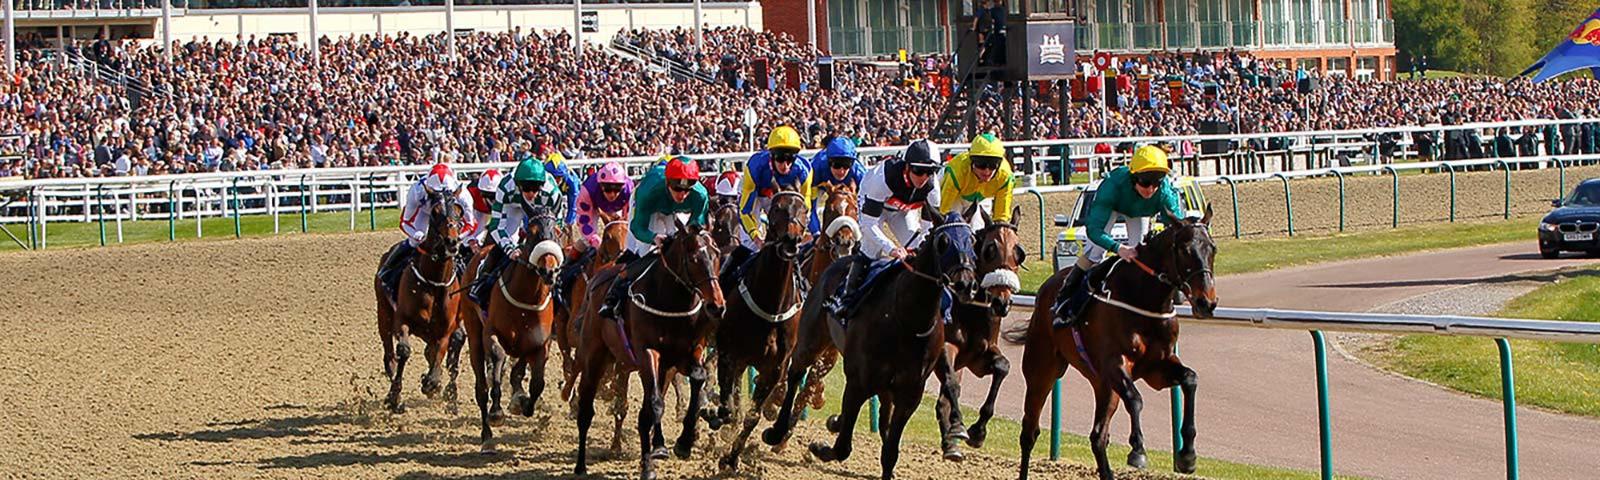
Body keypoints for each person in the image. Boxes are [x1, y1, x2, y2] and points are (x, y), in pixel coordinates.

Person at [1051, 145, 1185, 328]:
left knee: (1140, 251)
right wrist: (1118, 248)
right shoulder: (1112, 187)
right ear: (1133, 177)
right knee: (1095, 252)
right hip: (1114, 206)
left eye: (1156, 182)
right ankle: (1066, 299)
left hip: (1139, 213)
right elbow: (1094, 230)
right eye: (1145, 182)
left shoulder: (1165, 192)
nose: (1151, 189)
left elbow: (1179, 226)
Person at [824, 139, 943, 318]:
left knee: (921, 249)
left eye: (931, 172)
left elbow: (928, 227)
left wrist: (918, 248)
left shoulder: (932, 188)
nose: (924, 177)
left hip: (902, 211)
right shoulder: (882, 179)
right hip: (874, 209)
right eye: (919, 171)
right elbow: (869, 225)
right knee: (872, 250)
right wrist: (891, 248)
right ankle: (847, 301)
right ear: (907, 167)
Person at [595, 155, 710, 320]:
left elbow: (696, 226)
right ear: (668, 183)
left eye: (687, 189)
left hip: (672, 210)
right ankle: (614, 297)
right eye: (677, 189)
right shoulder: (649, 192)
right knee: (643, 252)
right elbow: (637, 227)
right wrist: (654, 238)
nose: (683, 195)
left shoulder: (700, 195)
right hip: (650, 206)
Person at [470, 158, 567, 305]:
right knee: (504, 244)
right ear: (517, 184)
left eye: (535, 189)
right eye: (526, 189)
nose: (531, 193)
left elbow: (557, 227)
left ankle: (561, 288)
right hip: (513, 206)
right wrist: (510, 249)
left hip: (544, 212)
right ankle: (482, 282)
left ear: (541, 186)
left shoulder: (552, 192)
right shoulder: (505, 187)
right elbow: (497, 226)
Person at [379, 163, 476, 296]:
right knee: (416, 242)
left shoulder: (463, 195)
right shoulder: (417, 191)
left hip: (450, 218)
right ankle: (388, 272)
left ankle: (468, 283)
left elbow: (470, 224)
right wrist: (415, 234)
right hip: (425, 213)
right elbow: (404, 221)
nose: (442, 197)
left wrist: (459, 237)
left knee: (460, 247)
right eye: (438, 194)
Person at [732, 125, 813, 272]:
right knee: (750, 244)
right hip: (756, 195)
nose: (785, 165)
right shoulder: (755, 167)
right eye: (780, 158)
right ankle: (730, 276)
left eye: (790, 160)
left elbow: (805, 207)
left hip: (782, 198)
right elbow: (745, 211)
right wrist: (755, 237)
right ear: (772, 156)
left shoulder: (804, 170)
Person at [940, 134, 1015, 227]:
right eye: (981, 164)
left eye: (993, 165)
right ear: (972, 161)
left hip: (981, 198)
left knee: (978, 228)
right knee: (953, 225)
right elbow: (943, 211)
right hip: (956, 196)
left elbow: (1001, 216)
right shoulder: (957, 172)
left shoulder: (1005, 176)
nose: (987, 171)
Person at [807, 136, 865, 234]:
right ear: (829, 162)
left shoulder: (859, 173)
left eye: (846, 165)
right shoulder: (816, 168)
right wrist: (816, 233)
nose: (841, 171)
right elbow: (809, 206)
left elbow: (866, 209)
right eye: (836, 165)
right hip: (821, 184)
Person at [574, 161, 635, 248]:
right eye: (607, 189)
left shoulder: (629, 190)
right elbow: (584, 222)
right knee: (586, 242)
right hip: (594, 206)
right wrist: (596, 243)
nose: (612, 194)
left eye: (617, 189)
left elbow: (630, 221)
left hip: (620, 207)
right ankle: (569, 260)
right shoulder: (588, 190)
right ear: (601, 185)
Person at [464, 169, 502, 248]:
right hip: (478, 210)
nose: (489, 200)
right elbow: (467, 215)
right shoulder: (471, 190)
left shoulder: (507, 191)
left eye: (492, 196)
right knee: (471, 237)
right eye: (485, 195)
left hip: (499, 211)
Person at [543, 152, 581, 226]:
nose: (555, 180)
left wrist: (568, 223)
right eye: (553, 177)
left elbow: (573, 206)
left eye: (558, 177)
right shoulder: (542, 178)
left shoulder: (572, 182)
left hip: (567, 195)